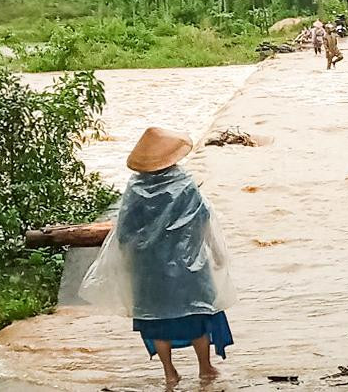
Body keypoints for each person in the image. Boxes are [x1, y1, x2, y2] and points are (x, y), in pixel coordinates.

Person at [80, 127, 236, 386]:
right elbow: (203, 220)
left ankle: (169, 372)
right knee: (196, 314)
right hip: (189, 265)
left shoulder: (135, 188)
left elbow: (125, 233)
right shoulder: (185, 184)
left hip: (149, 268)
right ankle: (205, 367)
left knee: (157, 319)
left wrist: (129, 264)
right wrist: (217, 255)